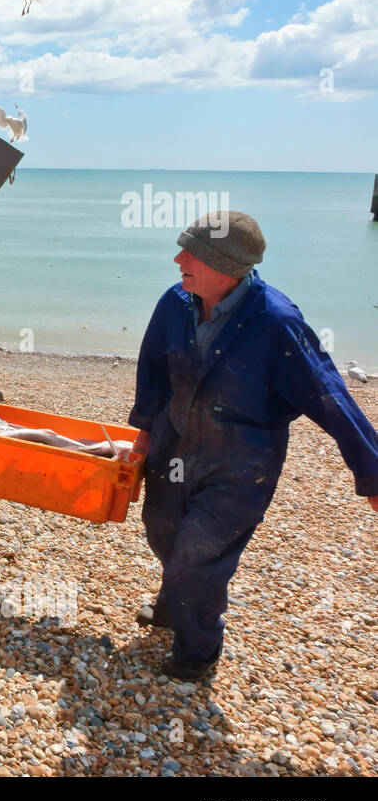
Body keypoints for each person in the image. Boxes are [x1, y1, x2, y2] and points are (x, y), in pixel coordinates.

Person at [126, 211, 378, 680]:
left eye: (191, 253)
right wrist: (142, 436)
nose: (178, 259)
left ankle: (197, 653)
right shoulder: (175, 302)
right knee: (162, 530)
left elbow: (329, 395)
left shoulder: (276, 323)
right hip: (174, 447)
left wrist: (371, 473)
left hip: (239, 466)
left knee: (199, 557)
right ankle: (174, 602)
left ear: (224, 266)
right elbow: (152, 372)